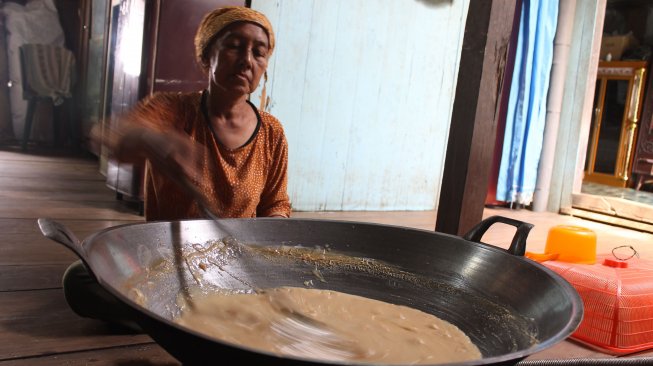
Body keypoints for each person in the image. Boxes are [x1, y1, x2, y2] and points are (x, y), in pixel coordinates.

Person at [62, 6, 290, 331]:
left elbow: (276, 205)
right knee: (81, 280)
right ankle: (209, 315)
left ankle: (175, 316)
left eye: (259, 52)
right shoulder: (173, 110)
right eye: (234, 46)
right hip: (168, 258)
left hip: (236, 264)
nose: (246, 60)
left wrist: (270, 248)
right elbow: (109, 137)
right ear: (206, 54)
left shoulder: (272, 132)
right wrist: (153, 140)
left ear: (265, 66)